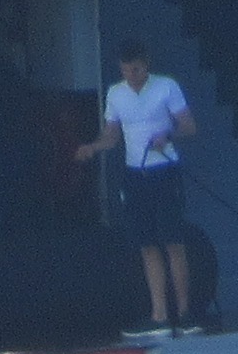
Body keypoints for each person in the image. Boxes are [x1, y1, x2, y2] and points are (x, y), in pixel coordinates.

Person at [76, 43, 200, 338]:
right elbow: (111, 135)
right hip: (135, 175)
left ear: (146, 65)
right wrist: (93, 147)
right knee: (146, 244)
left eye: (135, 69)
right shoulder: (116, 93)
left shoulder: (166, 86)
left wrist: (167, 135)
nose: (130, 75)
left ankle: (185, 314)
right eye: (125, 70)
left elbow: (188, 126)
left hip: (164, 171)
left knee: (173, 241)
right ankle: (159, 315)